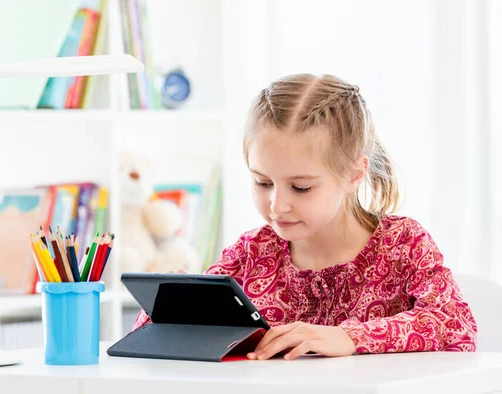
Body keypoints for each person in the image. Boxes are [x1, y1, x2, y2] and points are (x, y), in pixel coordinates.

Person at [132, 73, 478, 360]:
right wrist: (169, 310)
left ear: (355, 173)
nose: (277, 205)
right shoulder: (252, 253)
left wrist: (350, 337)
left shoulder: (402, 244)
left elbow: (455, 323)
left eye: (301, 188)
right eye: (262, 182)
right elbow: (151, 340)